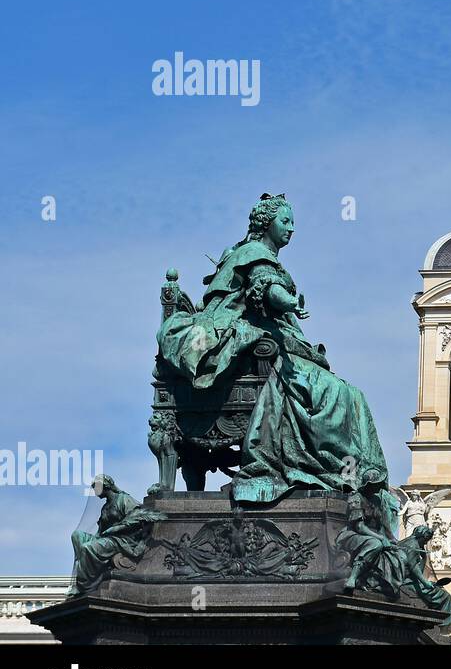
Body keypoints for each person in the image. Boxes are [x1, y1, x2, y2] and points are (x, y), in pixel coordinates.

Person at [157, 194, 394, 522]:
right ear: (267, 224)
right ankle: (339, 469)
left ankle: (348, 471)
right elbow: (265, 289)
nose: (292, 229)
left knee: (348, 394)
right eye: (286, 221)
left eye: (293, 222)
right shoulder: (255, 255)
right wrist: (290, 302)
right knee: (340, 394)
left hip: (273, 343)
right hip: (258, 348)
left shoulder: (256, 255)